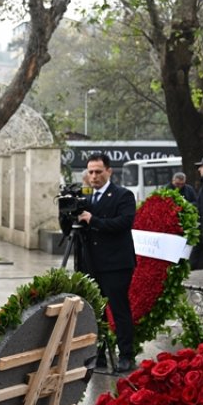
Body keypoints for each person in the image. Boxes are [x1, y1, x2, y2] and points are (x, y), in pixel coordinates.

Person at [75, 153, 137, 373]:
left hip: (116, 264)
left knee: (119, 310)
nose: (93, 176)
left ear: (109, 171)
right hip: (91, 263)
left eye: (98, 172)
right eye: (90, 172)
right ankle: (98, 354)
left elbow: (123, 223)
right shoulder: (85, 197)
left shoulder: (123, 195)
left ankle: (126, 355)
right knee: (95, 312)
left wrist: (94, 220)